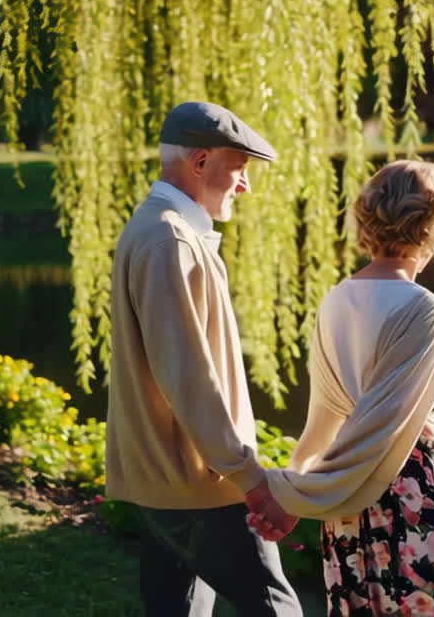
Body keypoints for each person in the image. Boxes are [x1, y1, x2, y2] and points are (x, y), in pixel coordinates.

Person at [249, 160, 434, 617]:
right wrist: (291, 492)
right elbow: (381, 428)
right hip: (412, 498)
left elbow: (327, 417)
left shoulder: (336, 299)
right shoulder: (424, 310)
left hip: (351, 512)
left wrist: (298, 486)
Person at [105, 101, 302, 616]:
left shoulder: (161, 229)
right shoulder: (171, 239)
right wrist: (251, 479)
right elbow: (188, 376)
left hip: (170, 477)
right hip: (199, 482)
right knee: (276, 608)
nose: (245, 185)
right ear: (200, 162)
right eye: (238, 169)